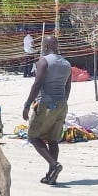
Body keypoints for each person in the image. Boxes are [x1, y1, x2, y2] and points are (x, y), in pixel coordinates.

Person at [22, 36, 72, 185]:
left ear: (47, 45)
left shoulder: (43, 61)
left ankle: (54, 164)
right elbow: (68, 87)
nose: (43, 47)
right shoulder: (67, 63)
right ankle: (52, 175)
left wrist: (27, 105)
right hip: (62, 103)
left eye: (44, 44)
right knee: (53, 139)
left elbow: (37, 84)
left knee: (33, 137)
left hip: (45, 103)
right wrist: (62, 103)